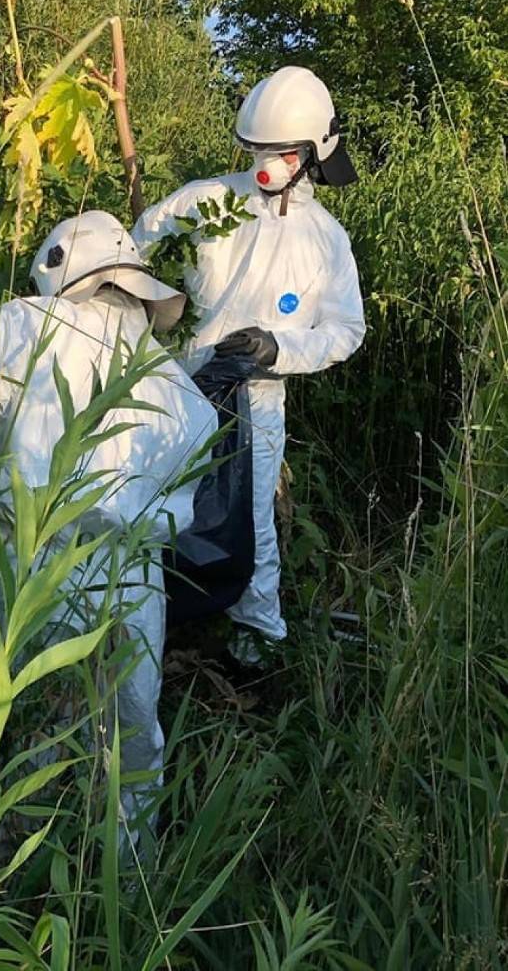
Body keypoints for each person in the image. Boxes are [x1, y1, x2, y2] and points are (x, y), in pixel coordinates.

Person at [0, 208, 217, 843]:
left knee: (12, 724)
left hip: (27, 555)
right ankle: (125, 889)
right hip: (134, 575)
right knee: (129, 734)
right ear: (137, 290)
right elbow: (182, 503)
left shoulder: (28, 324)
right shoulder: (177, 387)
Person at [132, 66, 366, 662]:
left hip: (257, 399)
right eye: (259, 151)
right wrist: (152, 318)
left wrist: (279, 349)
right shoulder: (207, 202)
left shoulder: (325, 239)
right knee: (154, 503)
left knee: (250, 516)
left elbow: (346, 330)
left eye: (283, 152)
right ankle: (148, 617)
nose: (268, 164)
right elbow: (138, 247)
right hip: (176, 384)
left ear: (314, 155)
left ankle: (255, 638)